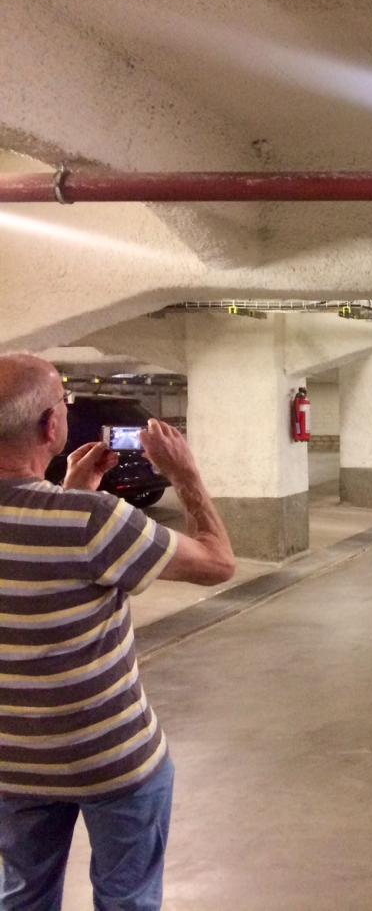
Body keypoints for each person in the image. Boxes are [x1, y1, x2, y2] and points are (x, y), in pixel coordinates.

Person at [0, 353, 235, 910]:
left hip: (11, 761)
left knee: (23, 897)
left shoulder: (82, 513)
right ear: (50, 427)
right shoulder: (93, 521)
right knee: (126, 899)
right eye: (64, 402)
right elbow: (217, 562)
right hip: (112, 759)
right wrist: (186, 475)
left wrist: (72, 489)